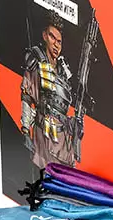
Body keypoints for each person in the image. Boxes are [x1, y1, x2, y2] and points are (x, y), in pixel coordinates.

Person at [20, 15, 77, 168]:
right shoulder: (37, 62)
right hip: (44, 136)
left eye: (59, 41)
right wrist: (25, 130)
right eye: (52, 37)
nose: (56, 45)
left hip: (63, 141)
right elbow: (27, 96)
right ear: (45, 36)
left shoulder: (64, 70)